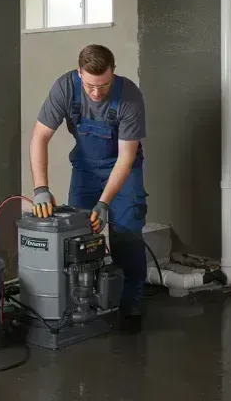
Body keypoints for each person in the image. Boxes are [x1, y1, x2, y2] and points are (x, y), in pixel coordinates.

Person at [29, 44, 147, 326]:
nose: (96, 93)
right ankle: (82, 302)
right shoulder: (65, 88)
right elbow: (39, 138)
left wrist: (105, 202)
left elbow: (125, 159)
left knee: (126, 233)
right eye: (91, 86)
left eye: (104, 85)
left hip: (122, 169)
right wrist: (40, 189)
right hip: (85, 167)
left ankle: (130, 302)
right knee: (77, 235)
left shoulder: (129, 96)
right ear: (79, 72)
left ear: (113, 73)